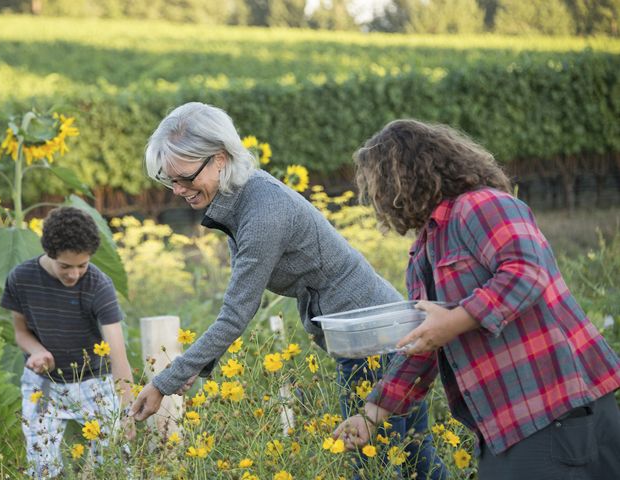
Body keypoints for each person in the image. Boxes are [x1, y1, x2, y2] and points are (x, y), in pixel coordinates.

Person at [129, 102, 447, 479]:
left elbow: (236, 313)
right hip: (379, 330)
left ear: (219, 159)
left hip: (371, 341)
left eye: (184, 177)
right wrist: (194, 367)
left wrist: (163, 381)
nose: (178, 190)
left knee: (377, 466)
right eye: (169, 181)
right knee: (415, 460)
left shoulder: (262, 210)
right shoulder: (244, 197)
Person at [333, 119, 620, 479]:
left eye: (376, 186)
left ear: (403, 178)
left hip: (559, 410)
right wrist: (373, 413)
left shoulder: (482, 205)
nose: (377, 200)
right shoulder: (425, 250)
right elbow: (425, 340)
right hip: (508, 426)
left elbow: (527, 270)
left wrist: (456, 320)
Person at [1, 206, 135, 479]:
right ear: (49, 253)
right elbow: (20, 332)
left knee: (114, 466)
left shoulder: (99, 285)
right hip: (43, 384)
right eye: (65, 266)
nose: (74, 274)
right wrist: (38, 352)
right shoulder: (21, 278)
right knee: (43, 468)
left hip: (94, 382)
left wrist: (126, 411)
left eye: (82, 266)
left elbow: (118, 354)